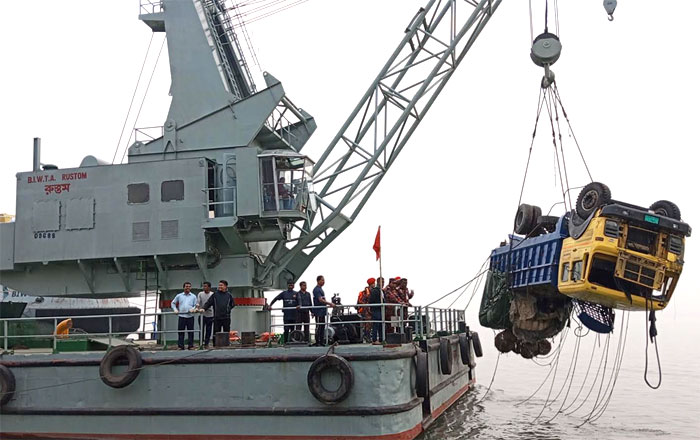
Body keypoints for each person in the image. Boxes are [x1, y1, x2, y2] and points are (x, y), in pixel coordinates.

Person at [172, 282, 198, 350]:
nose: (188, 288)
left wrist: (193, 309)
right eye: (186, 286)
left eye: (189, 286)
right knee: (181, 332)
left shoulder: (193, 296)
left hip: (190, 316)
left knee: (191, 332)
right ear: (183, 287)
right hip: (181, 316)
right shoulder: (179, 296)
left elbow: (196, 305)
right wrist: (175, 309)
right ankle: (181, 346)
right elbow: (173, 303)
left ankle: (191, 346)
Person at [312, 275, 334, 345]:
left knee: (322, 326)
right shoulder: (316, 290)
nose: (323, 281)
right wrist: (330, 303)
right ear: (318, 281)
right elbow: (320, 300)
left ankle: (321, 341)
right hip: (318, 312)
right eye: (322, 280)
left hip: (322, 311)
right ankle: (317, 341)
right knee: (319, 326)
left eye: (323, 280)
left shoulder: (320, 289)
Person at [196, 281, 214, 348]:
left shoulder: (212, 294)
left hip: (210, 315)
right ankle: (200, 343)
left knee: (208, 330)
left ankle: (206, 343)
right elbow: (198, 302)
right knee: (201, 330)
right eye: (203, 286)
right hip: (202, 315)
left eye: (205, 286)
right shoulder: (200, 294)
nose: (204, 287)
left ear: (209, 287)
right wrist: (197, 308)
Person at [356, 278, 374, 342]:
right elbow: (361, 301)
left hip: (369, 310)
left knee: (370, 324)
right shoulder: (365, 292)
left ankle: (368, 336)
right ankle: (367, 336)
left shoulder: (370, 291)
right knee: (367, 324)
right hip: (365, 310)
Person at [369, 277, 385, 344]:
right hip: (376, 310)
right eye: (382, 282)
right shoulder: (375, 291)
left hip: (381, 310)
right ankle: (374, 339)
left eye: (383, 282)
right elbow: (371, 300)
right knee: (376, 324)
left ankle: (381, 339)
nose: (383, 283)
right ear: (378, 282)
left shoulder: (381, 290)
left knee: (381, 324)